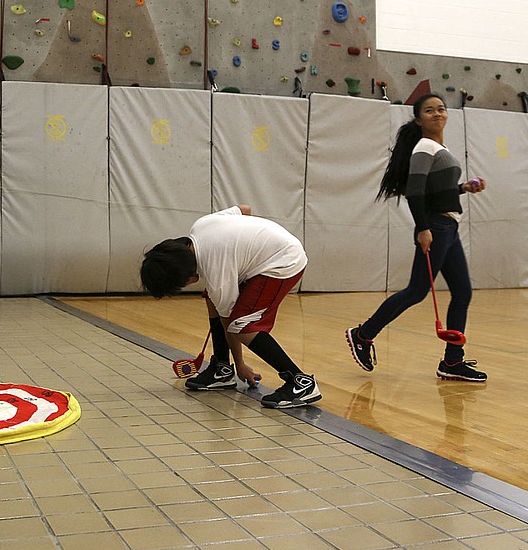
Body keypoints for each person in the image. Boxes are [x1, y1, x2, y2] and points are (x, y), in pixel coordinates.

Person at [346, 93, 488, 381]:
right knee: (416, 291)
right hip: (435, 228)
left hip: (448, 227)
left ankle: (452, 361)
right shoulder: (424, 147)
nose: (437, 114)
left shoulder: (437, 147)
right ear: (419, 119)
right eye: (429, 110)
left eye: (441, 109)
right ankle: (363, 334)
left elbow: (437, 190)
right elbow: (415, 190)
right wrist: (423, 228)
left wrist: (463, 188)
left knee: (462, 292)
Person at [140, 205, 322, 409]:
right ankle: (222, 369)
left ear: (187, 278)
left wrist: (241, 365)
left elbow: (231, 325)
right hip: (274, 250)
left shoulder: (215, 270)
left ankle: (301, 382)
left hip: (284, 261)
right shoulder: (199, 227)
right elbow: (244, 209)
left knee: (242, 326)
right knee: (212, 298)